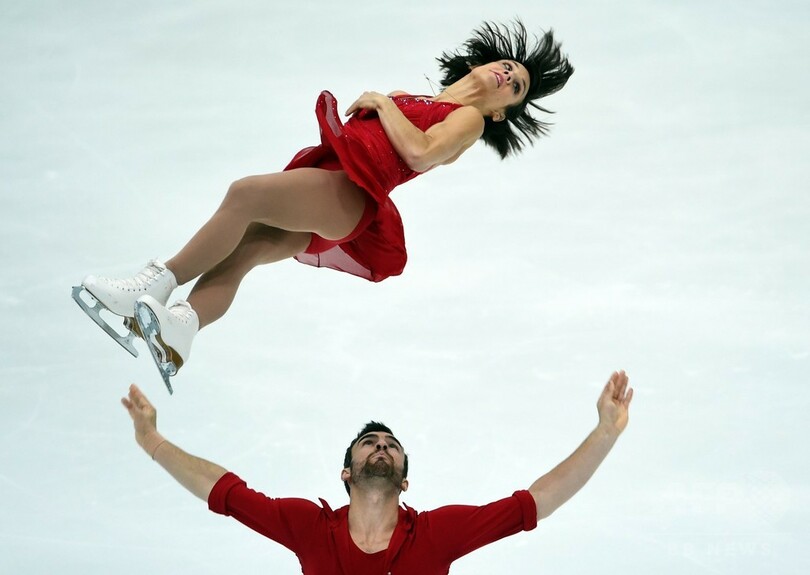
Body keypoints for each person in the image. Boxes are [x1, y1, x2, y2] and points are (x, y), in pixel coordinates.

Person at [75, 21, 574, 383]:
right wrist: (389, 101)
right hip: (333, 184)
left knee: (245, 195)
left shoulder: (468, 119)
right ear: (479, 64)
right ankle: (181, 329)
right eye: (507, 67)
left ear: (502, 113)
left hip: (350, 195)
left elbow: (421, 153)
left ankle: (154, 283)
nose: (508, 76)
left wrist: (383, 103)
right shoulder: (416, 98)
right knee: (247, 248)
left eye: (517, 87)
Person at [122, 370, 633, 573]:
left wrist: (605, 433)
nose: (382, 446)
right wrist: (153, 441)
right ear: (346, 473)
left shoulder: (437, 534)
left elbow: (536, 502)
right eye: (370, 444)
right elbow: (226, 493)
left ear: (405, 480)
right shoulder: (309, 528)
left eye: (391, 445)